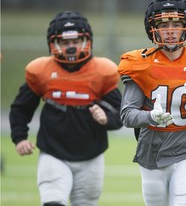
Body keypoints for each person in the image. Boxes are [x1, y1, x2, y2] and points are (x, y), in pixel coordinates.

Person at [118, 0, 186, 206]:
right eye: (163, 24)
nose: (169, 30)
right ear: (152, 28)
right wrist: (150, 116)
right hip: (152, 150)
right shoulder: (141, 64)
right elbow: (127, 116)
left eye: (176, 23)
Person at [9, 10, 123, 206]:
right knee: (53, 201)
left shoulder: (102, 72)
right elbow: (21, 108)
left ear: (86, 41)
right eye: (65, 42)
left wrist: (107, 119)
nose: (71, 47)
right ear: (54, 44)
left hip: (91, 156)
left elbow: (122, 113)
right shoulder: (42, 71)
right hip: (53, 153)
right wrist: (19, 137)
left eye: (75, 41)